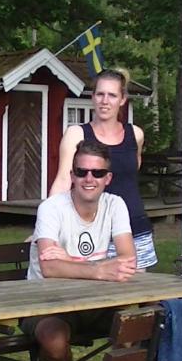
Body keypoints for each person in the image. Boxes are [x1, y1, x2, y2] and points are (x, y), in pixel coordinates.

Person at [23, 139, 138, 361]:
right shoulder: (51, 208)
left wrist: (72, 262)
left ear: (107, 178)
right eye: (82, 172)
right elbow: (50, 268)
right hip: (46, 301)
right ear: (71, 175)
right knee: (53, 341)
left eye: (97, 173)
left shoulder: (115, 204)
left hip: (96, 300)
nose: (89, 178)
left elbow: (128, 260)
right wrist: (98, 270)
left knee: (147, 319)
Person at [50, 68, 158, 270]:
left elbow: (132, 173)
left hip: (134, 229)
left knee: (137, 294)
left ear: (123, 99)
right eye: (100, 94)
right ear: (92, 97)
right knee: (91, 292)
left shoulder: (135, 134)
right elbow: (64, 181)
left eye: (112, 95)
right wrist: (46, 227)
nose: (105, 101)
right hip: (91, 230)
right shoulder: (76, 134)